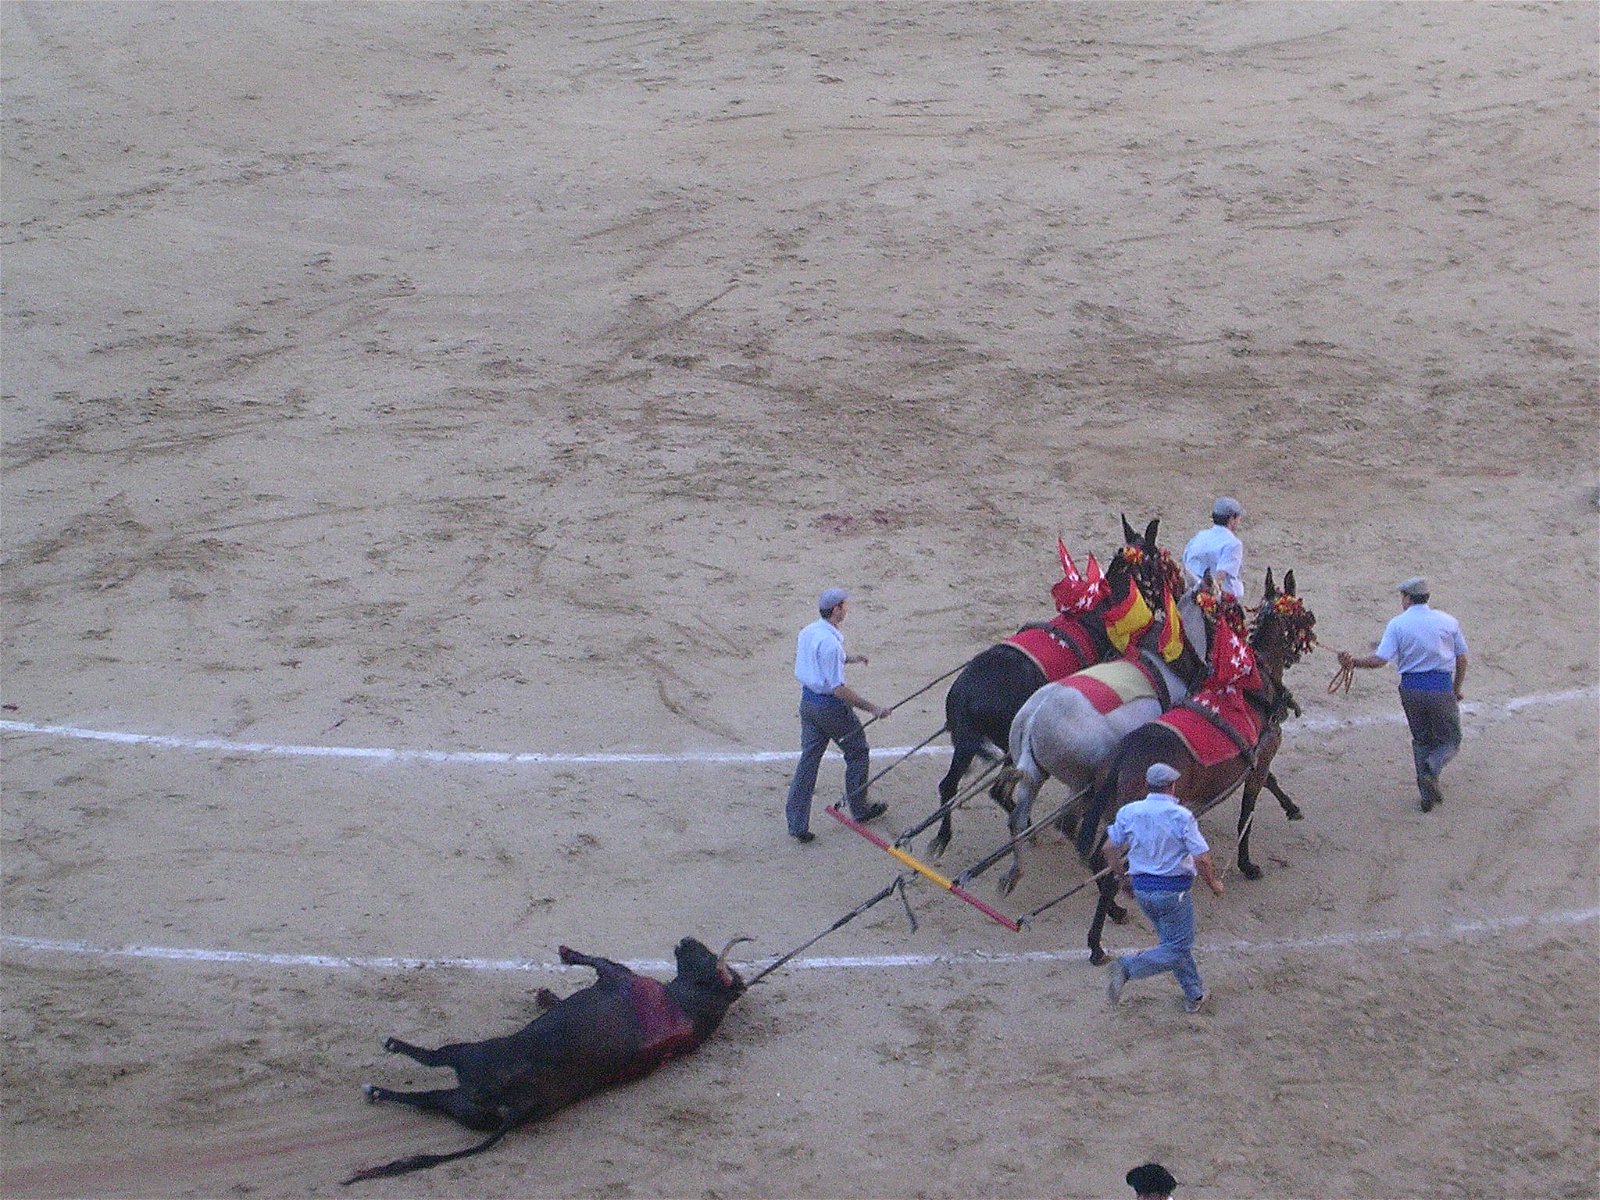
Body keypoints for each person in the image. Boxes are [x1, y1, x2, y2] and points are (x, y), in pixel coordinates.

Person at [1336, 576, 1469, 812]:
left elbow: (1379, 660)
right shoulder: (1448, 621)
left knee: (1421, 739)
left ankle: (1426, 792)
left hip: (1411, 690)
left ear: (1408, 598)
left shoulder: (1397, 624)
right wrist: (1456, 689)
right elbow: (1462, 658)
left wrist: (1353, 662)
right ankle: (1433, 768)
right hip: (1440, 688)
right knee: (1451, 739)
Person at [1104, 762, 1225, 1013]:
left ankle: (1195, 995)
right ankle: (1127, 968)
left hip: (1142, 890)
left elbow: (1108, 848)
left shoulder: (1129, 811)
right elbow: (1201, 858)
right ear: (1171, 786)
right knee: (1178, 947)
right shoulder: (1181, 816)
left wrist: (1122, 879)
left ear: (1148, 785)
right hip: (1172, 893)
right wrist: (1213, 883)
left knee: (1172, 942)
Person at [784, 587, 893, 843]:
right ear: (836, 610)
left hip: (808, 703)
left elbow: (818, 660)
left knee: (808, 761)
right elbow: (838, 689)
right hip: (830, 708)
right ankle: (860, 808)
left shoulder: (808, 632)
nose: (847, 609)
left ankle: (797, 823)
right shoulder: (831, 644)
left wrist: (851, 658)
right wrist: (874, 709)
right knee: (857, 751)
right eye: (844, 606)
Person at [1181, 497, 1246, 601]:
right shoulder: (1233, 544)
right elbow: (1220, 577)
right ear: (1231, 519)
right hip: (1217, 600)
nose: (1239, 520)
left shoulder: (1200, 536)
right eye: (1238, 517)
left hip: (1190, 594)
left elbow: (1185, 564)